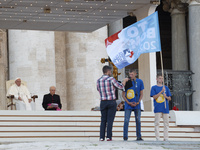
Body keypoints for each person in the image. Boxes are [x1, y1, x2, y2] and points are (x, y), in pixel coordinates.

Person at [97, 65, 127, 141]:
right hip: (111, 101)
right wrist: (124, 82)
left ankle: (101, 137)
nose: (110, 73)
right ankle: (108, 137)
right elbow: (120, 87)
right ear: (108, 71)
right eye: (110, 71)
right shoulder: (111, 79)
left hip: (103, 101)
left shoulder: (99, 80)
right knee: (110, 120)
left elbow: (98, 89)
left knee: (103, 119)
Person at [122, 69, 144, 141]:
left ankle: (139, 136)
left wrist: (138, 101)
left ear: (135, 74)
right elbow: (123, 94)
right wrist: (128, 102)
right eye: (129, 74)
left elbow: (141, 93)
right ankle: (125, 136)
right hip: (128, 105)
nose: (130, 76)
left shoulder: (140, 81)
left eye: (132, 74)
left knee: (138, 120)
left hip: (137, 104)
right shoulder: (127, 82)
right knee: (126, 120)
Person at [150, 74, 171, 141]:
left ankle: (166, 137)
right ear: (156, 79)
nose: (161, 80)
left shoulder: (166, 88)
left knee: (166, 123)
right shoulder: (154, 87)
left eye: (162, 78)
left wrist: (166, 96)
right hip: (157, 107)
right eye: (159, 78)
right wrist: (161, 92)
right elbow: (154, 97)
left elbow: (169, 98)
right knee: (157, 123)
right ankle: (157, 137)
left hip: (165, 108)